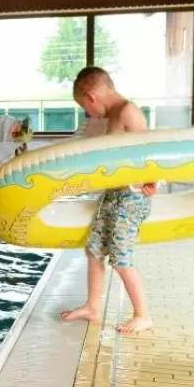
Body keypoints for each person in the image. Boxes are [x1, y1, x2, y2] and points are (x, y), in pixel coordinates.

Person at [60, 66, 157, 334]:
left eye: (84, 107)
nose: (88, 113)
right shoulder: (111, 116)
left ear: (91, 97)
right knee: (93, 248)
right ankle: (92, 306)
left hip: (132, 196)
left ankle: (142, 314)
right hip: (114, 193)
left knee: (120, 257)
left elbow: (149, 149)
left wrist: (152, 180)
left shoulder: (128, 111)